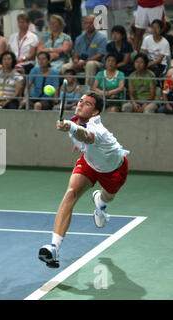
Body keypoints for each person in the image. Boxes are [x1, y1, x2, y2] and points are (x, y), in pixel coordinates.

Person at [39, 91, 129, 268]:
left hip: (114, 169)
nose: (81, 104)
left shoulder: (97, 129)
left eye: (87, 103)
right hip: (89, 162)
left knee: (108, 196)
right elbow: (80, 135)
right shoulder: (74, 120)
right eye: (80, 101)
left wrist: (71, 130)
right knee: (71, 194)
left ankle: (100, 202)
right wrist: (74, 136)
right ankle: (54, 248)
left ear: (95, 112)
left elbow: (86, 136)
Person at [62, 15, 107, 87]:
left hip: (97, 64)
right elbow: (76, 53)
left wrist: (84, 62)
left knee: (90, 64)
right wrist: (76, 60)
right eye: (86, 23)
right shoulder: (79, 38)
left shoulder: (102, 38)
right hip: (80, 63)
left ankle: (88, 91)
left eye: (91, 23)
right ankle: (73, 88)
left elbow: (100, 55)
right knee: (65, 67)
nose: (88, 25)